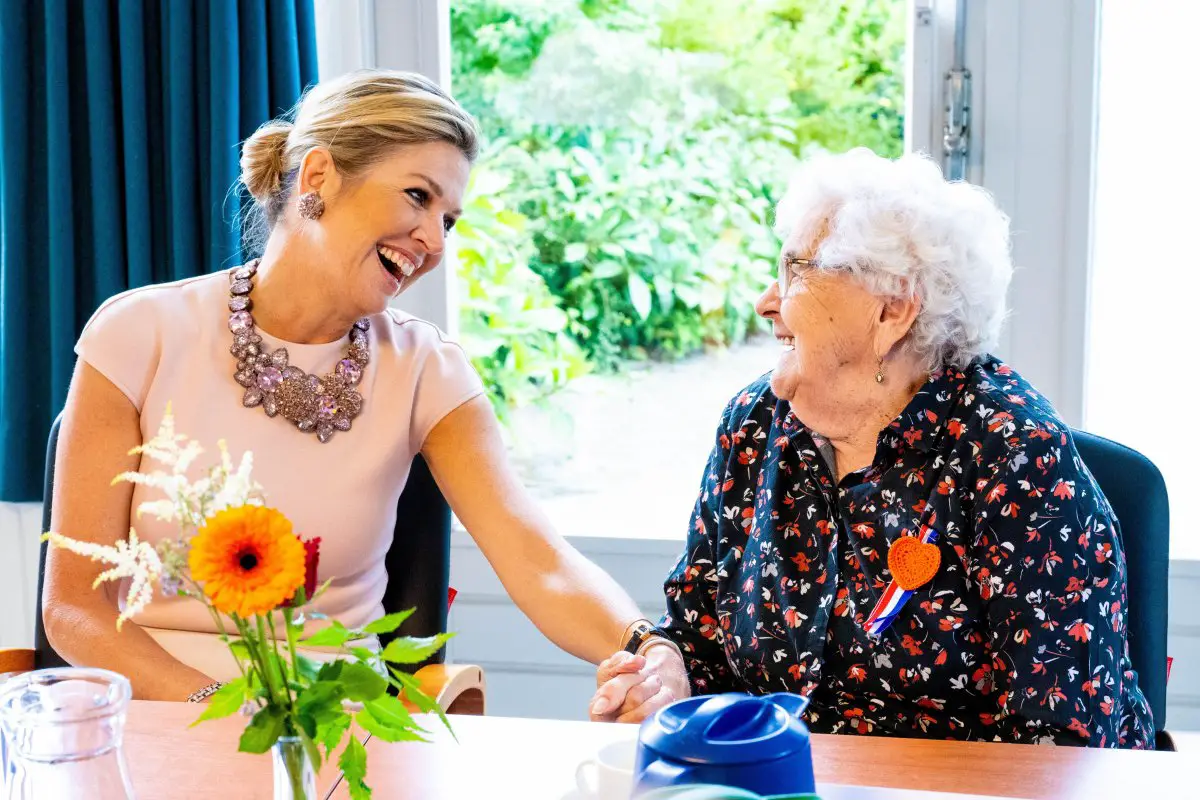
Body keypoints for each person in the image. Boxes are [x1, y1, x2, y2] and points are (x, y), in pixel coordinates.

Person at [43, 70, 684, 704]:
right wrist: (221, 714)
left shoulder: (427, 369)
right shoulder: (138, 333)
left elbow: (539, 562)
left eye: (449, 220)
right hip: (154, 718)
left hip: (332, 726)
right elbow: (75, 609)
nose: (433, 241)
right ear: (318, 177)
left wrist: (648, 648)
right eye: (417, 196)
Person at [589, 148, 1155, 748]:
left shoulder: (1013, 456)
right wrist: (666, 674)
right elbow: (701, 633)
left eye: (795, 271)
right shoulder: (756, 426)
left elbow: (1062, 749)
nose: (766, 301)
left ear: (891, 311)